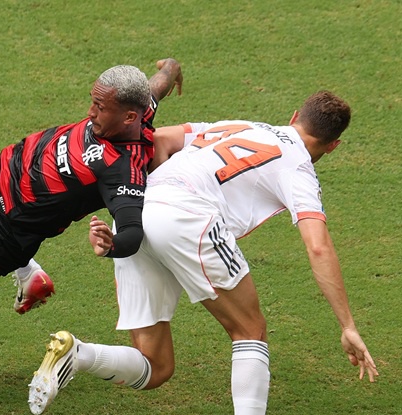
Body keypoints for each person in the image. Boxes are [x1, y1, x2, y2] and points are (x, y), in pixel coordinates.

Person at [27, 91, 379, 415]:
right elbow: (317, 246)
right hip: (188, 217)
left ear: (294, 117)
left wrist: (157, 206)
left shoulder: (241, 127)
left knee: (155, 367)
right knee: (250, 330)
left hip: (135, 213)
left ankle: (77, 353)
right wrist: (347, 325)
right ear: (333, 146)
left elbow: (160, 139)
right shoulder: (299, 167)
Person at [0, 59, 183, 347]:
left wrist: (111, 245)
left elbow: (132, 232)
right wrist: (170, 68)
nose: (90, 112)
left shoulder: (122, 170)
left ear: (129, 117)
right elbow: (156, 86)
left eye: (100, 107)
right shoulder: (137, 110)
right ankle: (27, 272)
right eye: (92, 101)